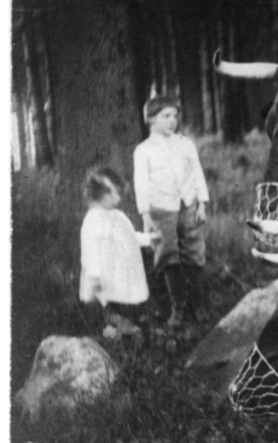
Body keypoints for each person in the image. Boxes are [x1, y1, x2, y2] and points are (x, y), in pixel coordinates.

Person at [133, 95, 210, 329]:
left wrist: (202, 203)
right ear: (151, 119)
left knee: (194, 251)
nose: (172, 121)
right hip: (160, 207)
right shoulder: (143, 150)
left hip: (188, 204)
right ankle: (178, 308)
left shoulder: (184, 143)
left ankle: (199, 305)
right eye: (165, 116)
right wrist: (145, 214)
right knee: (168, 255)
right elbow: (141, 184)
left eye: (175, 115)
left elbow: (197, 172)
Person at [79, 167, 154, 339]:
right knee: (106, 307)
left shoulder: (116, 216)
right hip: (102, 276)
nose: (118, 198)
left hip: (118, 273)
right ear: (99, 194)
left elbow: (128, 236)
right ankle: (111, 332)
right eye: (113, 193)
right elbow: (89, 250)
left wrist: (148, 239)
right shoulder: (92, 220)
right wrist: (94, 274)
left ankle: (122, 331)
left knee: (119, 302)